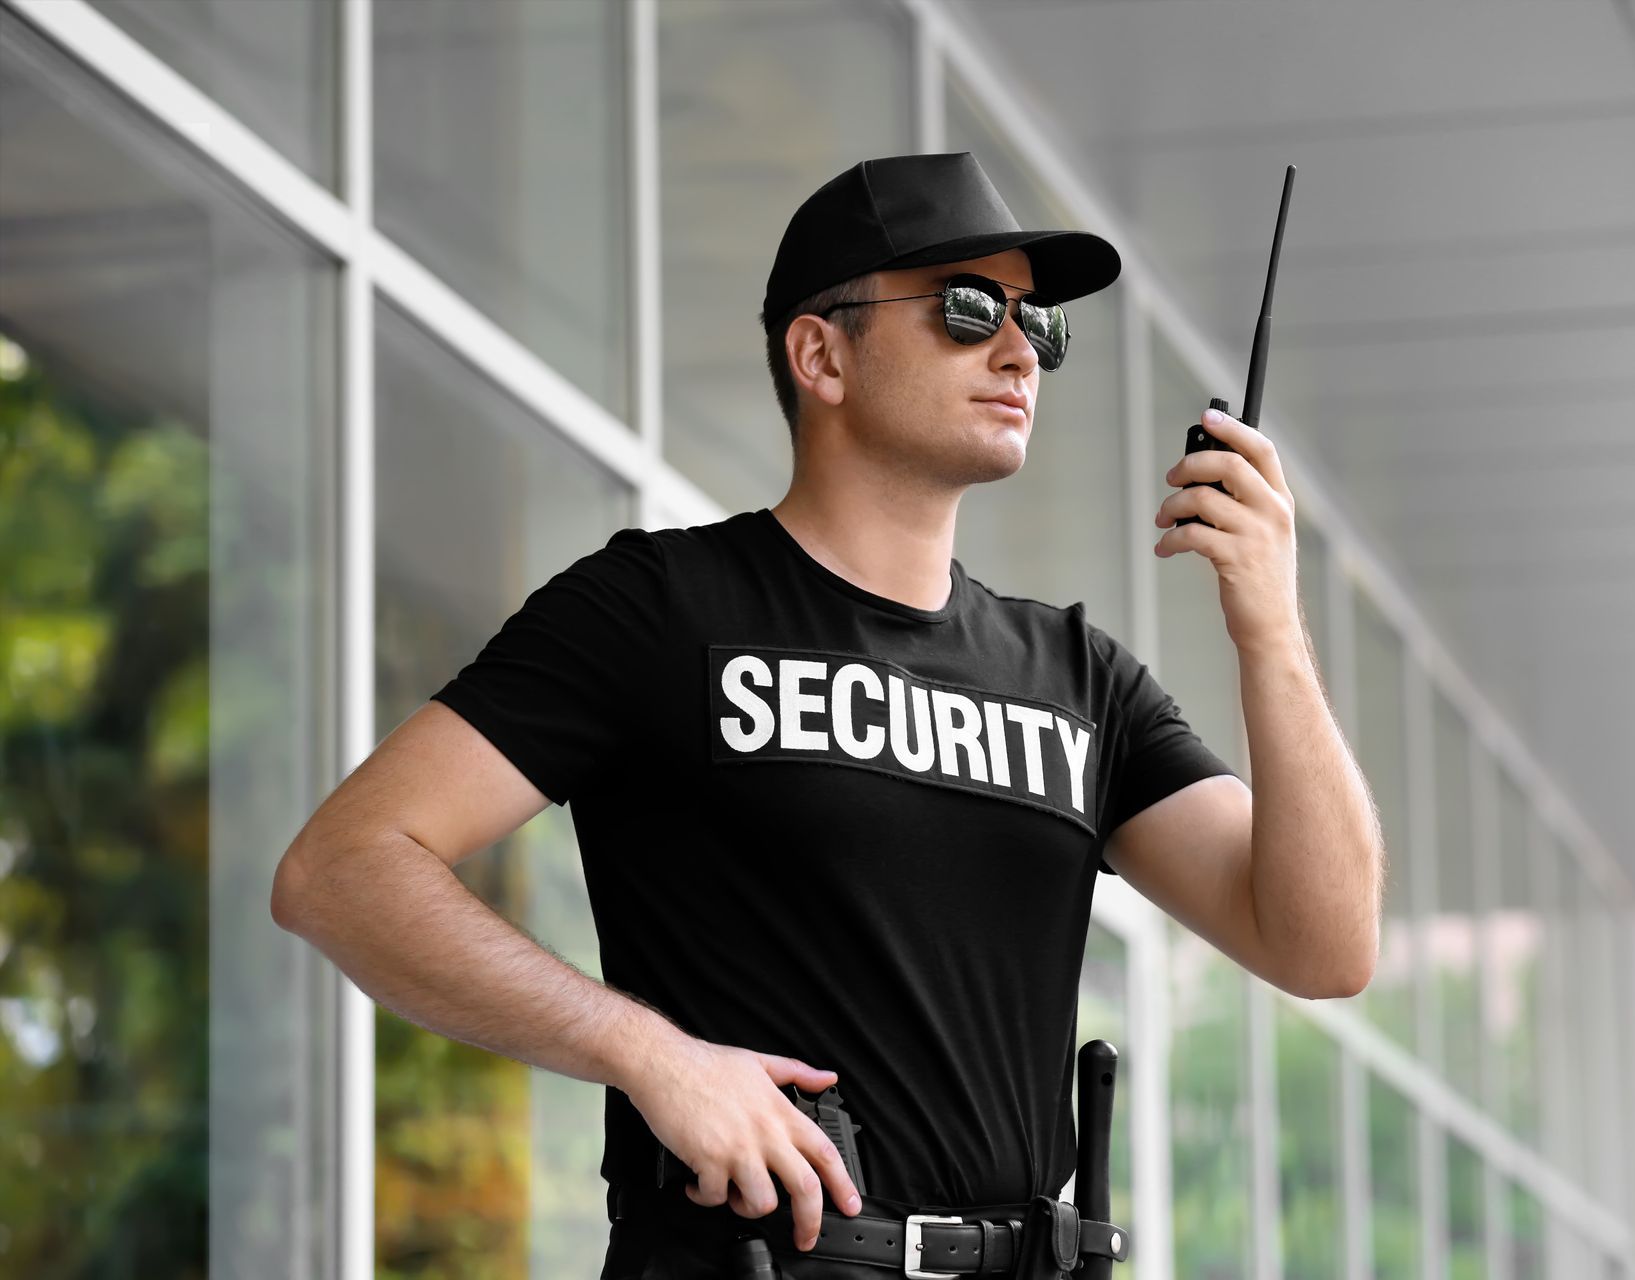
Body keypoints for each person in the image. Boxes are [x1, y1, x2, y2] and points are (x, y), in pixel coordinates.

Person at [270, 151, 1384, 1279]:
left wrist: (1271, 633)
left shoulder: (1079, 676)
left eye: (1036, 326)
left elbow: (1325, 943)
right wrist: (649, 1054)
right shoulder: (662, 609)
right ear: (821, 355)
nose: (1016, 350)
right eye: (966, 309)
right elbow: (344, 866)